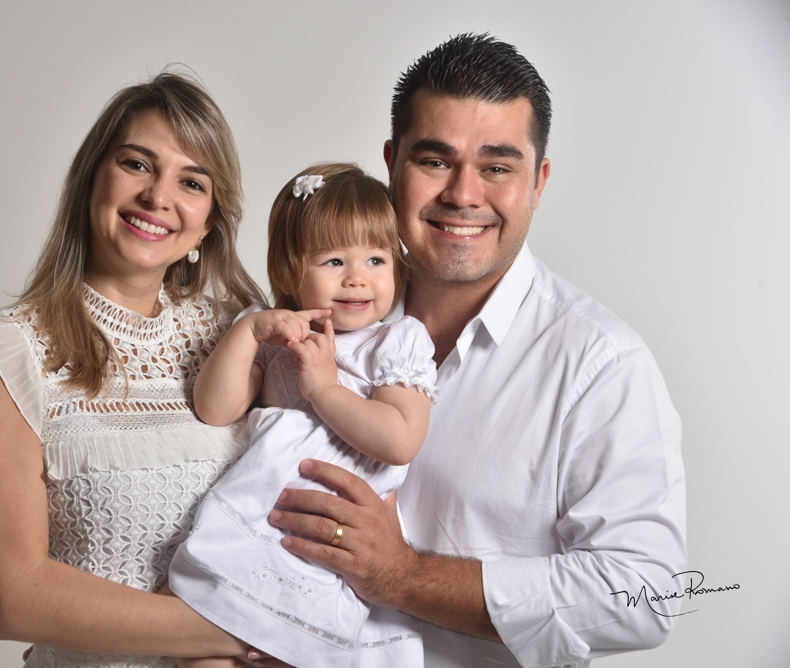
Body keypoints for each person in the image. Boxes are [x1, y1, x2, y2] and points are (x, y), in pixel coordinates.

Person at [267, 34, 687, 668]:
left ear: (538, 182)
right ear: (392, 166)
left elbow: (646, 596)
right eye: (436, 161)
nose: (463, 195)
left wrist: (404, 576)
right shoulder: (320, 315)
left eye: (497, 167)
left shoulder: (600, 365)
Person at [0, 72, 269, 667]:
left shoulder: (241, 333)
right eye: (137, 164)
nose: (158, 197)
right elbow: (12, 597)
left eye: (191, 182)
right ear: (91, 176)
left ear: (209, 223)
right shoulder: (5, 351)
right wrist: (246, 628)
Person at [167, 163, 435, 667]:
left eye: (376, 259)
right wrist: (248, 335)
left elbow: (400, 439)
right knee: (202, 642)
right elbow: (215, 409)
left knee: (302, 649)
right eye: (334, 260)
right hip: (262, 514)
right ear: (290, 269)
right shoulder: (274, 332)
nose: (357, 277)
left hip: (337, 532)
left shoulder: (395, 341)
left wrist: (326, 389)